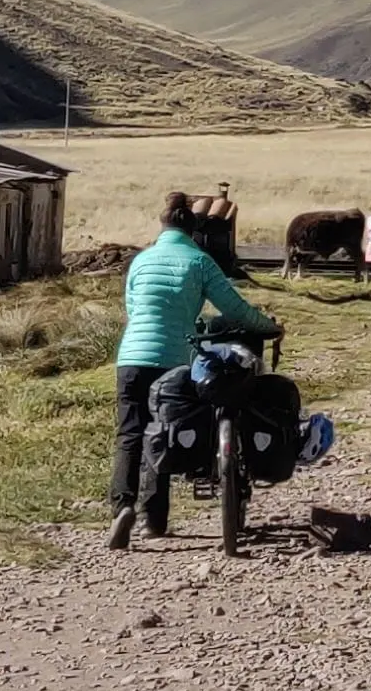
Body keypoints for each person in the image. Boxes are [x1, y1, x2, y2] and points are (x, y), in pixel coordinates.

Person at [111, 190, 280, 546]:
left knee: (130, 434)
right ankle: (153, 521)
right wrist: (267, 326)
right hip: (173, 360)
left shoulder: (141, 261)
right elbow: (234, 308)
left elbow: (134, 309)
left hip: (131, 357)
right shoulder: (199, 261)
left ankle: (122, 506)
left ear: (162, 226)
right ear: (194, 231)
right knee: (161, 430)